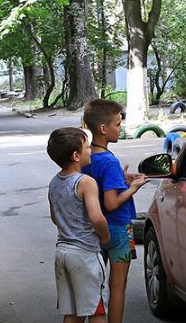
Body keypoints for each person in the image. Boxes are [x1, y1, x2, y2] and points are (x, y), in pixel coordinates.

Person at [81, 100, 150, 323]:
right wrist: (132, 188)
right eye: (118, 124)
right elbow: (111, 203)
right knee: (117, 287)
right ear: (103, 128)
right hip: (118, 229)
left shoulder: (84, 157)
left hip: (93, 230)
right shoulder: (109, 161)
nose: (121, 128)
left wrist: (121, 178)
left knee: (95, 285)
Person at [47, 128, 112, 323]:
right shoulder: (86, 182)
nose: (91, 150)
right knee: (96, 309)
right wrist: (105, 236)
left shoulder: (54, 182)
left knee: (73, 312)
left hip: (62, 253)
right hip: (85, 254)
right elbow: (97, 218)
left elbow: (54, 217)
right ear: (76, 155)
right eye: (87, 147)